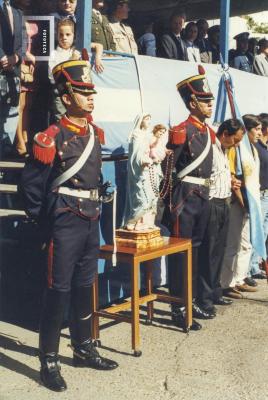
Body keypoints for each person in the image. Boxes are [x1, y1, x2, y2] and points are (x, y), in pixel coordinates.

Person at [20, 58, 118, 392]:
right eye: (83, 92)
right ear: (66, 94)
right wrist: (46, 223)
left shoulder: (94, 133)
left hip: (91, 217)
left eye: (92, 92)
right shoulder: (51, 137)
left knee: (84, 286)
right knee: (57, 290)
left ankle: (84, 347)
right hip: (64, 220)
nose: (91, 97)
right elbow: (31, 187)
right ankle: (49, 359)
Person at [162, 65, 215, 331]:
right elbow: (168, 166)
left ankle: (191, 300)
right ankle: (178, 306)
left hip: (203, 195)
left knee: (195, 251)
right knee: (181, 253)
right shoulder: (182, 130)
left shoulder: (207, 131)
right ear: (192, 102)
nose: (210, 105)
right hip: (185, 197)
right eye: (205, 101)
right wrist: (170, 201)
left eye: (210, 100)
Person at [197, 119, 245, 313]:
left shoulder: (226, 151)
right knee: (208, 254)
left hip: (224, 201)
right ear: (225, 134)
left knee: (220, 250)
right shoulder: (211, 149)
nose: (236, 144)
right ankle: (203, 299)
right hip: (212, 203)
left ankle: (215, 292)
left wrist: (231, 181)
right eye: (235, 139)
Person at [221, 114, 262, 298]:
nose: (260, 133)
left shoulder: (251, 150)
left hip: (249, 203)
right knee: (233, 244)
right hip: (238, 202)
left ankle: (240, 278)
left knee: (245, 244)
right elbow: (233, 179)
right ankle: (226, 283)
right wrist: (242, 202)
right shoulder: (233, 150)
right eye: (256, 129)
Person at [49, 19, 104, 122]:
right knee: (63, 121)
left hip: (79, 95)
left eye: (68, 34)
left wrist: (97, 58)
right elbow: (53, 77)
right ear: (57, 36)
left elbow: (98, 45)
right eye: (61, 35)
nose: (64, 38)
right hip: (62, 95)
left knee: (82, 119)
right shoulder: (54, 54)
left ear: (73, 35)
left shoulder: (76, 48)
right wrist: (72, 60)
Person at [122, 114, 161, 231]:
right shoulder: (136, 134)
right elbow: (135, 154)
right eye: (146, 119)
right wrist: (143, 160)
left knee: (151, 197)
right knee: (140, 197)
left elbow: (153, 149)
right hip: (140, 171)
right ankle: (133, 222)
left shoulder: (149, 135)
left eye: (150, 119)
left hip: (150, 170)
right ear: (140, 121)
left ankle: (147, 221)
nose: (149, 121)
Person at [0, 0, 23, 157]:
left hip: (13, 72)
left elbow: (22, 41)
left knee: (11, 113)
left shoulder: (17, 12)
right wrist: (2, 57)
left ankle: (4, 153)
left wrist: (16, 58)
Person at [248, 113, 268, 279]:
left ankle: (256, 263)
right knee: (258, 230)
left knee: (265, 231)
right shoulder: (257, 149)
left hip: (267, 194)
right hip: (260, 195)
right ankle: (252, 267)